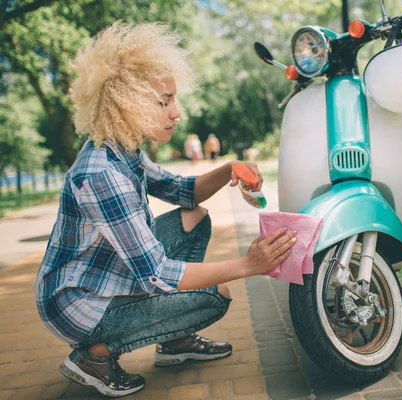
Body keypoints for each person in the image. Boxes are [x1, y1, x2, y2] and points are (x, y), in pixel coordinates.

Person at [34, 22, 296, 398]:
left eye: (173, 99)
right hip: (78, 306)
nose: (176, 112)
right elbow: (157, 274)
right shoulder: (102, 174)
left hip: (103, 277)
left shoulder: (124, 150)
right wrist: (248, 265)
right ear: (127, 102)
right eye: (164, 101)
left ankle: (174, 342)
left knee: (196, 218)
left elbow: (184, 192)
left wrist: (228, 170)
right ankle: (93, 356)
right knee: (215, 295)